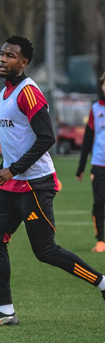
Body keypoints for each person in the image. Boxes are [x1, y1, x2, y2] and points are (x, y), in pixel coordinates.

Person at [0, 36, 105, 326]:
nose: (3, 58)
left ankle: (102, 282)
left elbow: (46, 138)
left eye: (10, 55)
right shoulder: (5, 92)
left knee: (45, 251)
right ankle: (7, 311)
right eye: (2, 53)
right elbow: (16, 137)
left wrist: (13, 169)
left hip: (35, 184)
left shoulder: (28, 92)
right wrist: (5, 167)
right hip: (11, 184)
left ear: (24, 62)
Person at [76, 72, 105, 252]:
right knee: (99, 200)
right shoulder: (96, 109)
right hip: (99, 163)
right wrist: (81, 167)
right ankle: (100, 241)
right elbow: (87, 139)